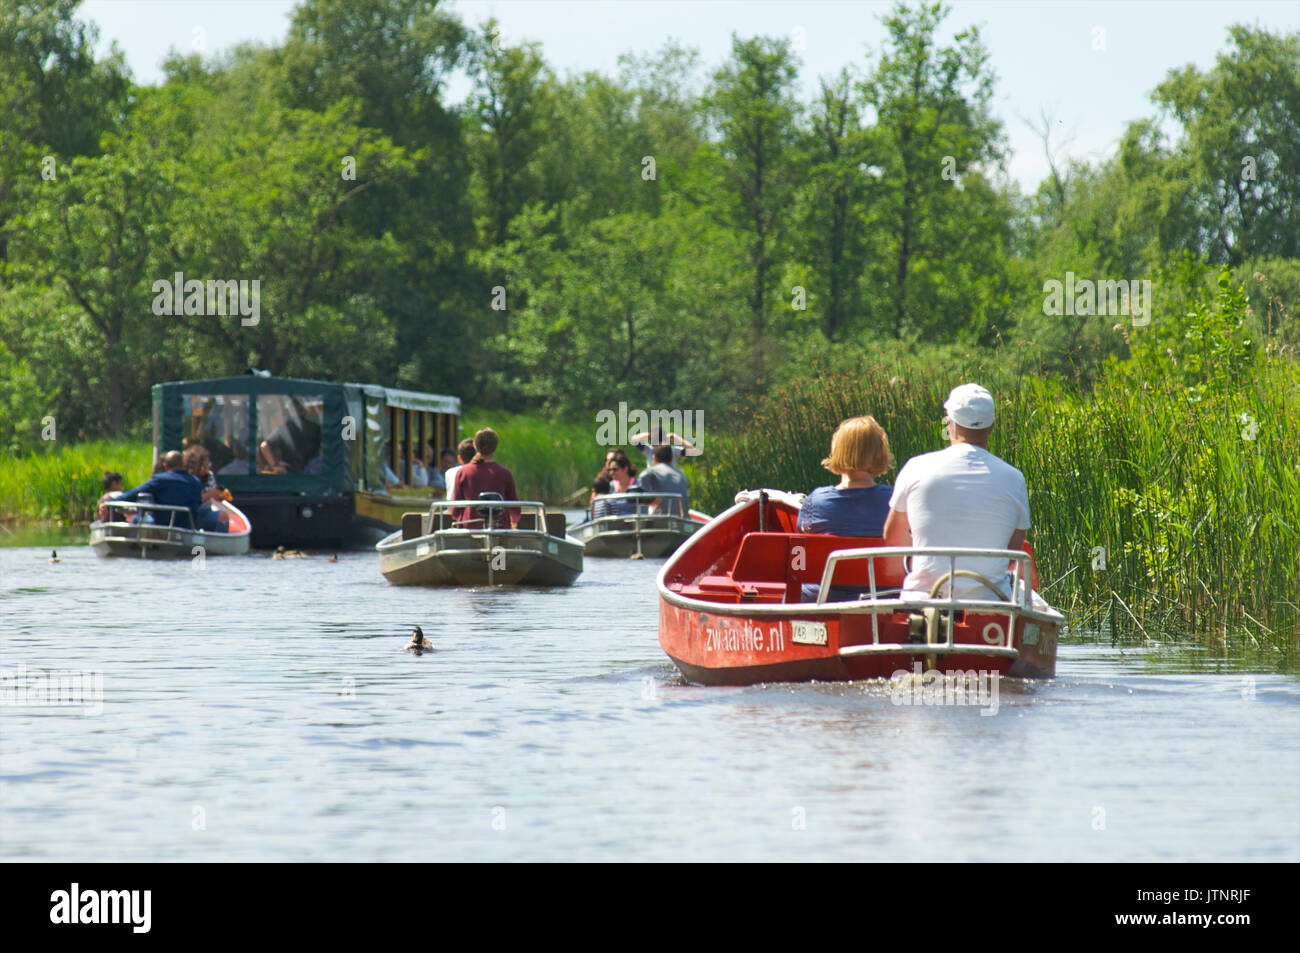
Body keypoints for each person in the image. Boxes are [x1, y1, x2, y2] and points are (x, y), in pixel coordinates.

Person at [883, 383, 1030, 601]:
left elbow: (893, 537)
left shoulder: (915, 467)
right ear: (991, 427)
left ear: (950, 424)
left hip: (922, 599)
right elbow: (1012, 550)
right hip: (989, 602)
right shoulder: (1015, 478)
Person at [797, 416, 894, 536]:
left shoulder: (815, 503)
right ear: (880, 453)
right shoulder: (895, 501)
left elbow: (802, 541)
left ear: (837, 451)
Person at [450, 428, 520, 528]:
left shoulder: (463, 472)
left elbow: (455, 510)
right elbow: (515, 510)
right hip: (500, 528)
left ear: (475, 445)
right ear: (495, 447)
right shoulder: (505, 473)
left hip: (470, 529)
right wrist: (514, 521)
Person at [117, 451, 203, 529]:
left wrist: (110, 502)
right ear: (183, 464)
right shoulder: (196, 483)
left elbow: (134, 493)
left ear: (165, 466)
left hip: (162, 529)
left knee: (138, 519)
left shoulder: (160, 480)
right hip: (188, 529)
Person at [183, 445, 230, 532]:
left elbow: (215, 495)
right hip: (189, 515)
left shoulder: (209, 476)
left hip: (205, 512)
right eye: (206, 464)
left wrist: (220, 496)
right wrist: (209, 494)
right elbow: (190, 502)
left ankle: (218, 543)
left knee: (223, 515)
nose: (208, 467)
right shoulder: (185, 478)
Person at [636, 444, 691, 517]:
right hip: (682, 520)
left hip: (660, 520)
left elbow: (640, 494)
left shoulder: (651, 472)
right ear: (671, 458)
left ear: (654, 458)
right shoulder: (682, 475)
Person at [629, 429, 699, 471]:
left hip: (669, 480)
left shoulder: (672, 450)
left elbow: (693, 451)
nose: (656, 446)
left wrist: (680, 440)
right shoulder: (649, 450)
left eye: (658, 443)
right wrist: (650, 434)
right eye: (654, 443)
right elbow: (634, 440)